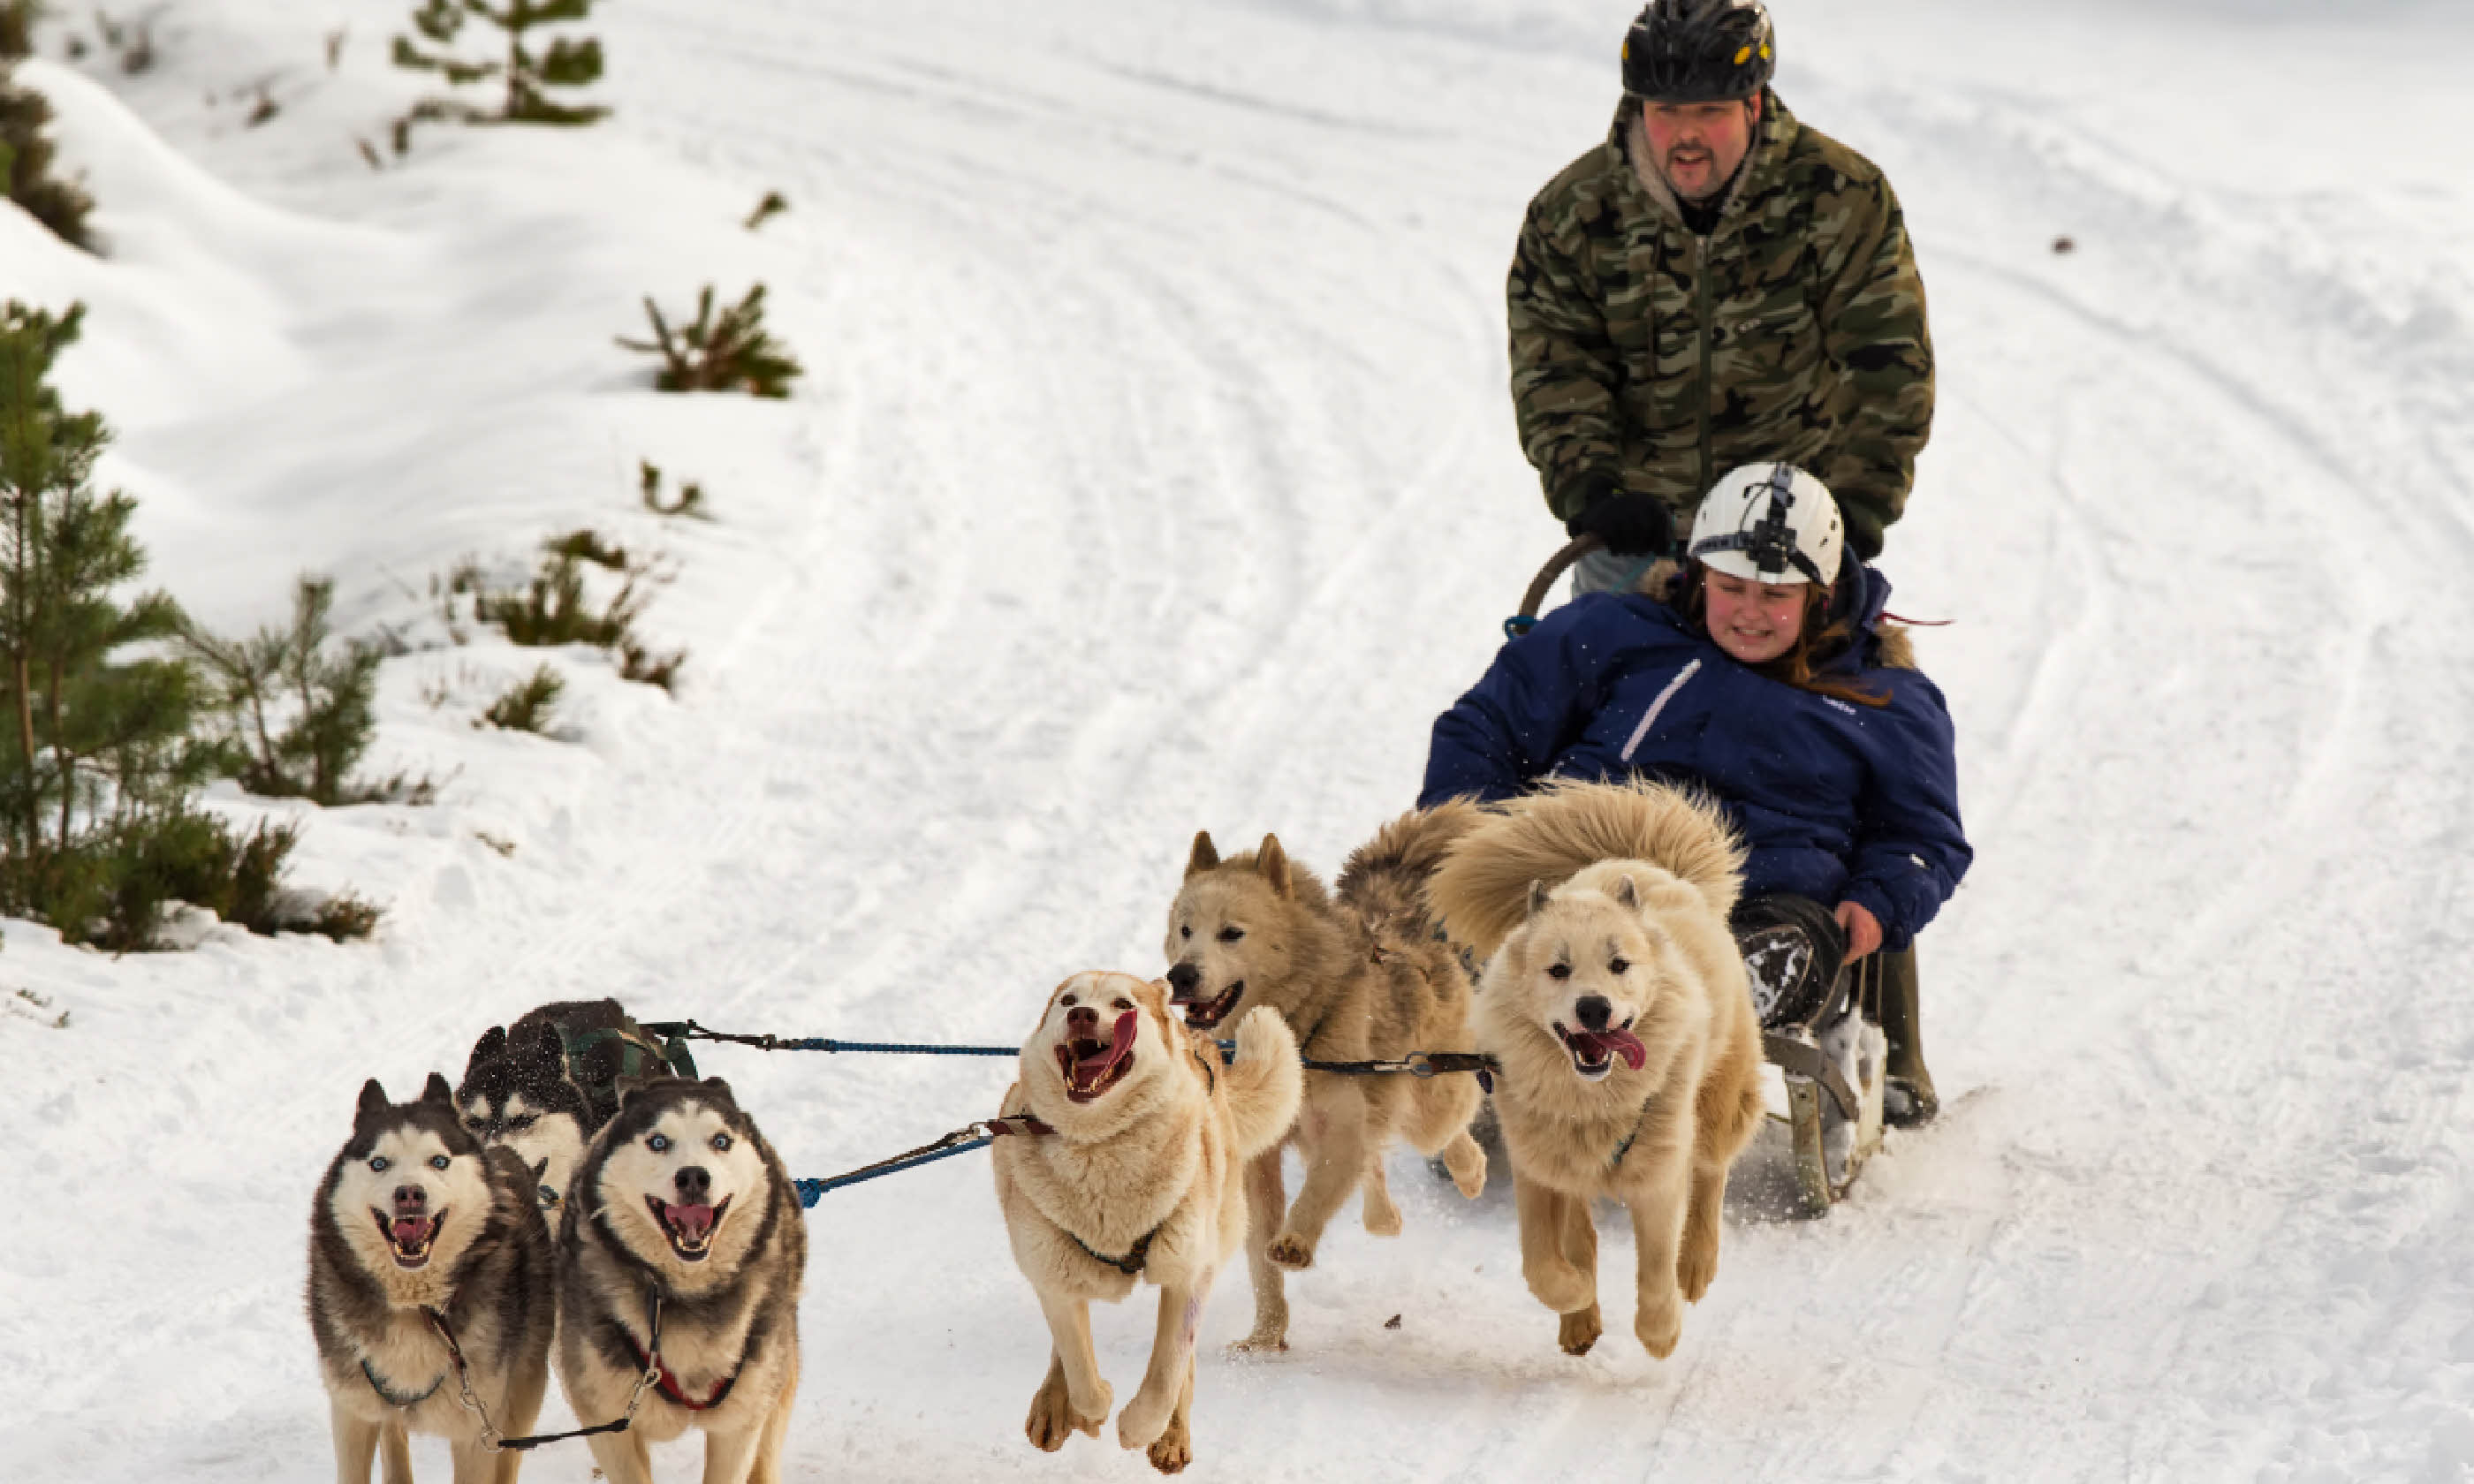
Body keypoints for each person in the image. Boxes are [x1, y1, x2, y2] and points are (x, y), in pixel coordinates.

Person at [1419, 463, 1966, 1124]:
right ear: (1699, 575)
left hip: (1765, 893)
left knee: (1788, 939)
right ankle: (1485, 981)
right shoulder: (1616, 631)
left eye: (1776, 596)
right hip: (1585, 878)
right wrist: (1471, 831)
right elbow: (1485, 727)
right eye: (1731, 588)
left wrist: (1876, 900)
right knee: (1500, 909)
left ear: (1819, 595)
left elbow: (1921, 835)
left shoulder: (1886, 699)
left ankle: (1746, 984)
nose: (1749, 613)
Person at [1508, 0, 1934, 596]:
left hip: (1786, 532)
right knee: (1604, 681)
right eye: (1666, 111)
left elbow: (1887, 361)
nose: (1686, 135)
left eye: (1710, 110)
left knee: (1808, 688)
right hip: (1637, 534)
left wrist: (1857, 508)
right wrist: (1593, 491)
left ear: (1753, 103)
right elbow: (1555, 367)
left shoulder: (1840, 196)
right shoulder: (1573, 212)